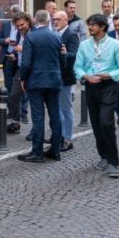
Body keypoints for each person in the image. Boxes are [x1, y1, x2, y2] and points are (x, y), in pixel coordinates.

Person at [74, 13, 119, 178]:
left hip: (109, 86)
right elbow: (77, 67)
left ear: (102, 27)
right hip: (91, 86)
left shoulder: (115, 45)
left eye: (93, 25)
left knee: (106, 122)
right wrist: (85, 76)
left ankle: (113, 162)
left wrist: (108, 75)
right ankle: (103, 156)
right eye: (89, 24)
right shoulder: (84, 45)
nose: (90, 27)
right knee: (97, 124)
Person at [17, 10, 64, 163]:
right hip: (54, 80)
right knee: (55, 116)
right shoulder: (57, 36)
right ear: (49, 20)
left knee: (38, 118)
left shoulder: (31, 36)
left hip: (36, 81)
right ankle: (55, 150)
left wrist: (22, 79)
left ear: (35, 21)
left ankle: (37, 152)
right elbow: (62, 60)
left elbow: (26, 63)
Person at [52, 11, 79, 151]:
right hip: (54, 76)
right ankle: (59, 136)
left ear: (65, 20)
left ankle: (68, 139)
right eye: (53, 19)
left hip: (65, 77)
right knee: (57, 109)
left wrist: (63, 53)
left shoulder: (71, 34)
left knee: (66, 109)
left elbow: (74, 54)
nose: (55, 21)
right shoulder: (54, 34)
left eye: (57, 19)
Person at [3, 12, 32, 134]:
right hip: (20, 68)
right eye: (18, 26)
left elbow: (38, 50)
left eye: (22, 24)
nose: (20, 28)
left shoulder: (34, 33)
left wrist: (23, 49)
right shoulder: (21, 34)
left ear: (28, 22)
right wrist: (14, 55)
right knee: (13, 95)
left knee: (35, 100)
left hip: (32, 70)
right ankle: (16, 123)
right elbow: (18, 49)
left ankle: (35, 131)